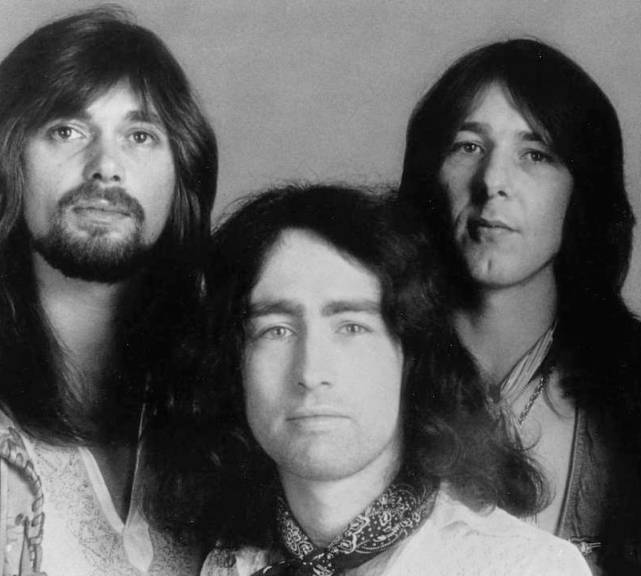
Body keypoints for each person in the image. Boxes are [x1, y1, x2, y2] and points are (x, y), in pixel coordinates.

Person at [146, 184, 591, 575]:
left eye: (351, 327)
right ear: (233, 363)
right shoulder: (224, 565)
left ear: (410, 355)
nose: (311, 373)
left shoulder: (525, 568)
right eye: (276, 331)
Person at [0, 7, 217, 575]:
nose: (106, 166)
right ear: (9, 161)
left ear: (181, 173)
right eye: (66, 131)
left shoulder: (221, 398)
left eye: (140, 135)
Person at [398, 38, 641, 574]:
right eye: (467, 147)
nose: (492, 182)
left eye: (536, 154)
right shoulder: (367, 370)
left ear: (582, 189)